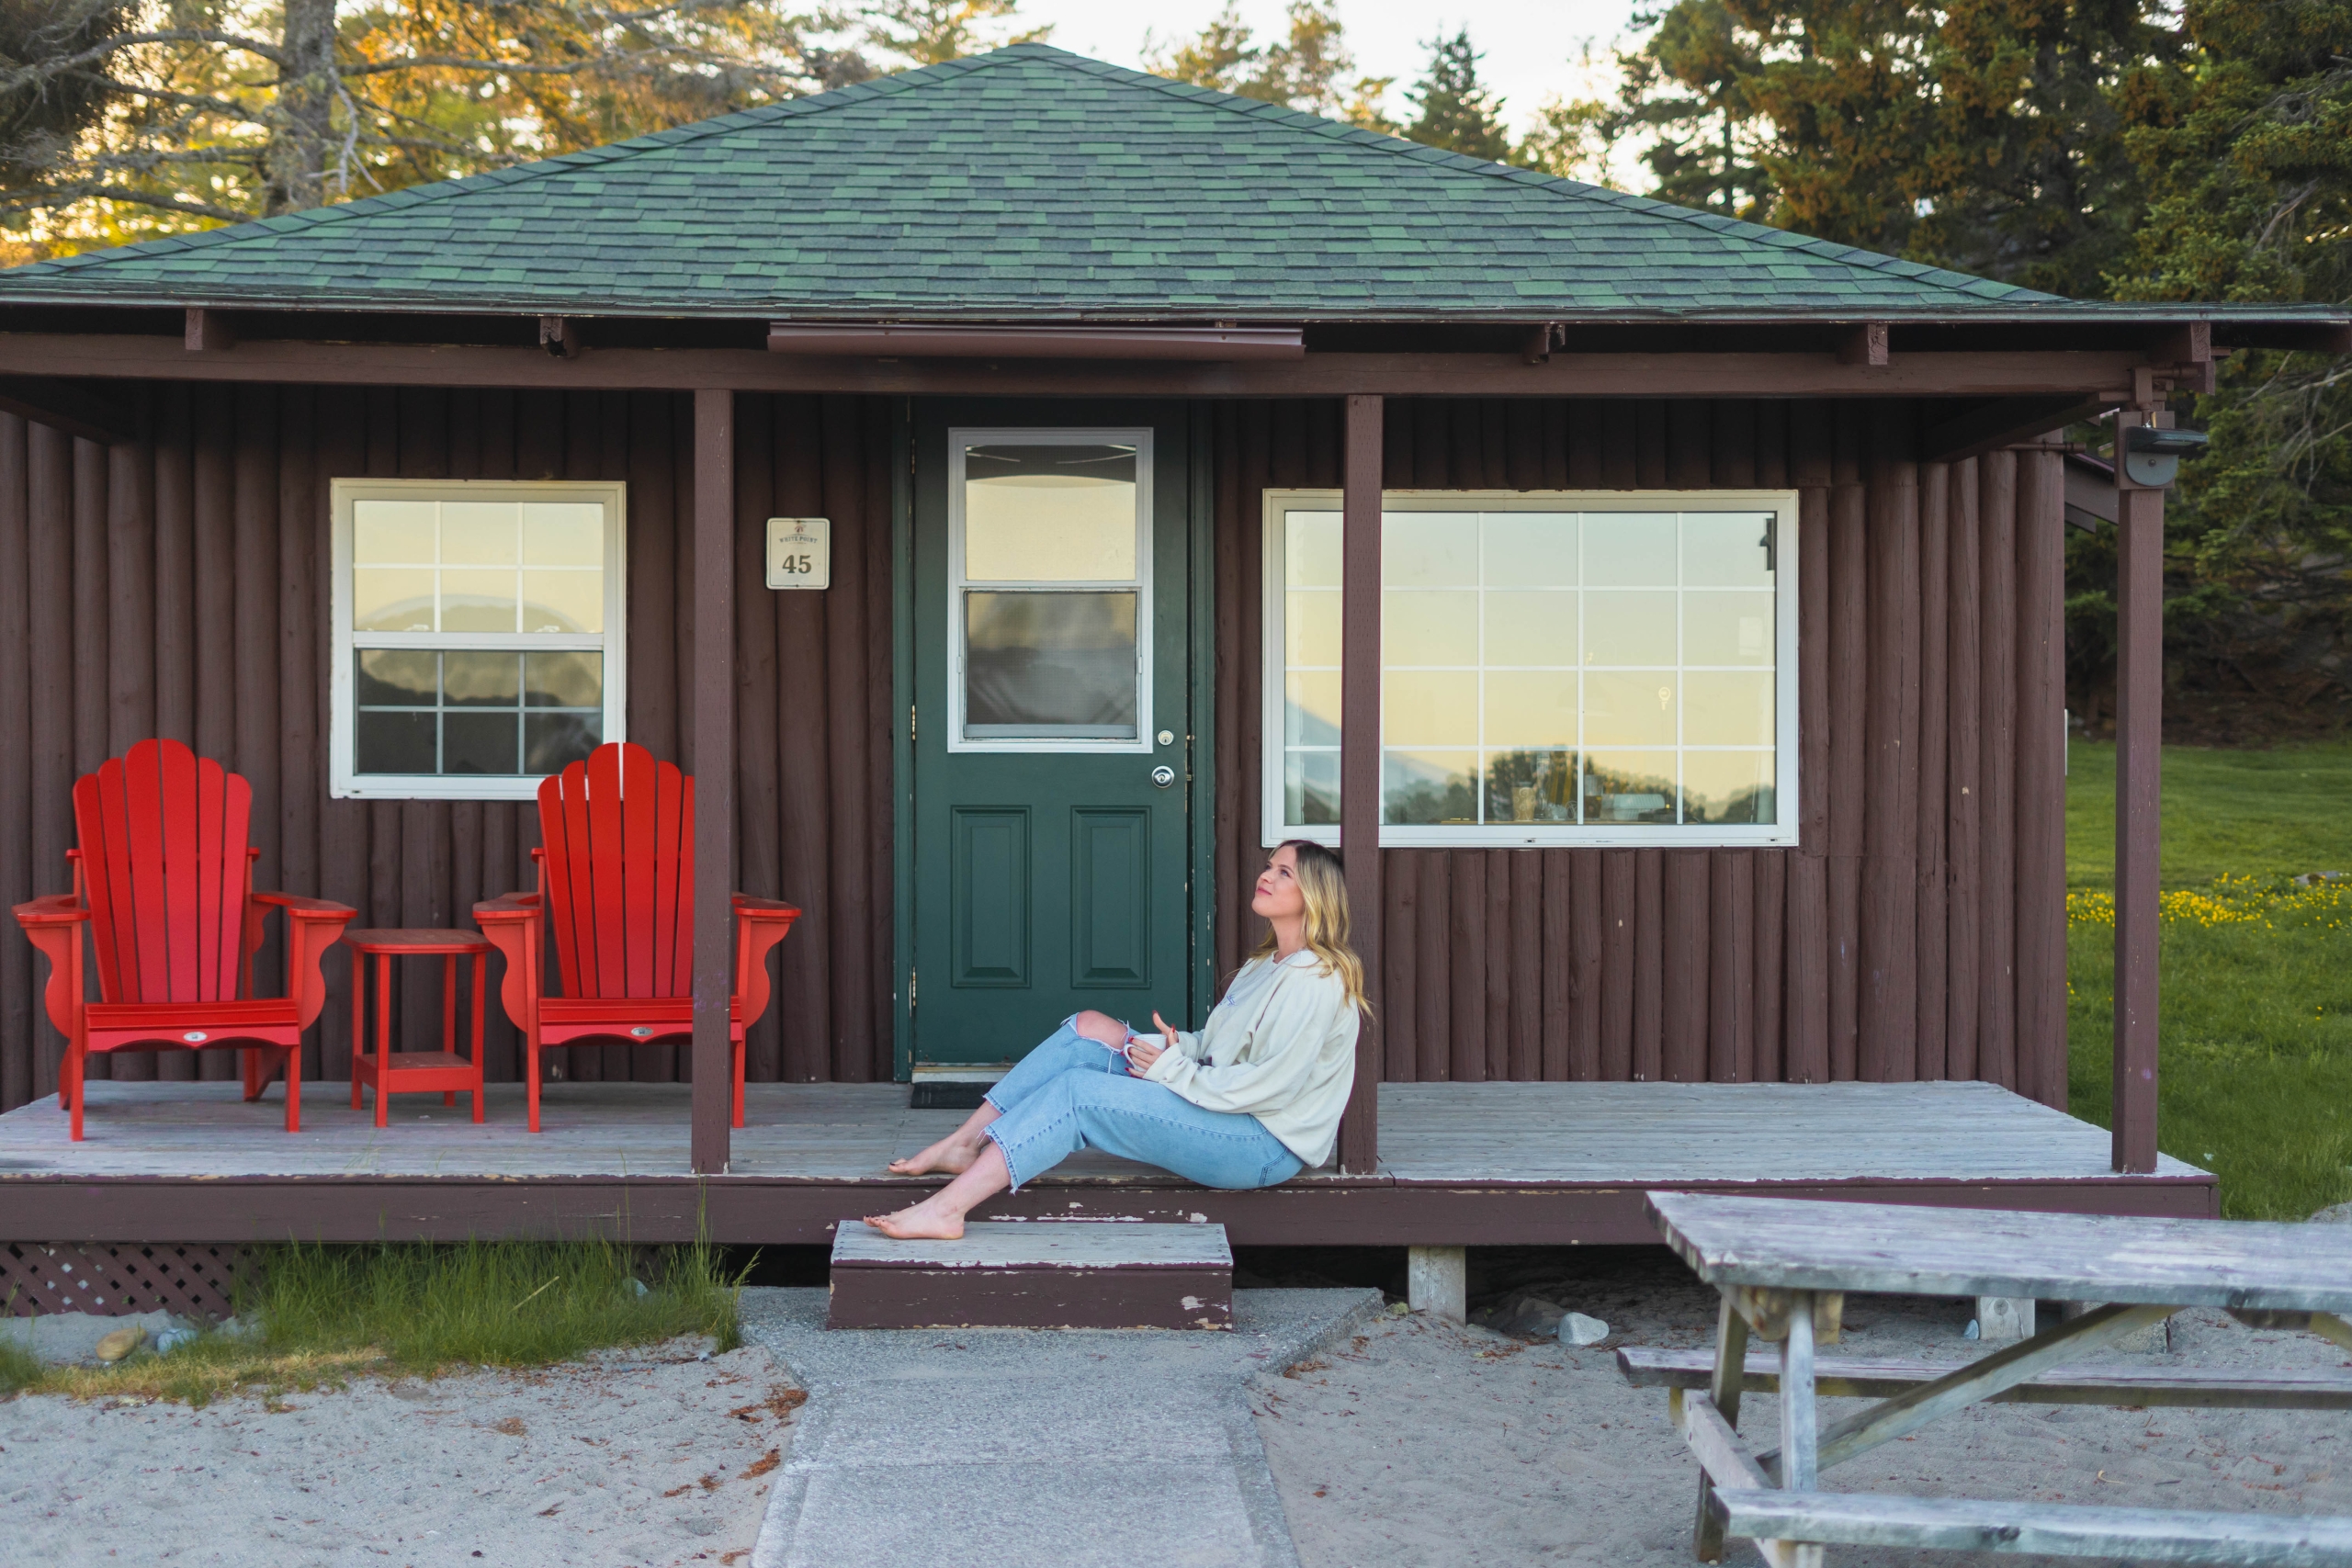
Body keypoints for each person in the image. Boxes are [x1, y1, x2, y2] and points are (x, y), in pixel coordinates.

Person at [866, 840, 1365, 1241]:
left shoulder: (1316, 980)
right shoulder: (1263, 966)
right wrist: (1177, 1048)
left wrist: (1170, 1069)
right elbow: (1216, 1048)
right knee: (1087, 1029)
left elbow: (1270, 1086)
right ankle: (963, 1143)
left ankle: (946, 1210)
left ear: (1315, 897)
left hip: (1262, 1143)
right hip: (1225, 1107)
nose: (1267, 875)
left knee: (1079, 1095)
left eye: (1285, 873)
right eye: (1269, 865)